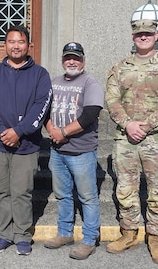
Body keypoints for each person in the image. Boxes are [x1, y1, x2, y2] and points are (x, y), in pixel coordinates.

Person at [105, 19, 158, 265]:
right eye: (139, 33)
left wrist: (146, 126)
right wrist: (128, 124)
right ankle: (128, 234)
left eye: (148, 34)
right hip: (126, 139)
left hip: (157, 140)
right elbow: (111, 99)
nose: (143, 37)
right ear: (132, 36)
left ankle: (155, 238)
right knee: (125, 190)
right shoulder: (119, 67)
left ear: (156, 36)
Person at [0, 25, 52, 256]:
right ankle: (4, 234)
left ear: (28, 45)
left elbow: (42, 106)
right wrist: (1, 131)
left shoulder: (40, 74)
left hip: (26, 144)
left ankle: (22, 235)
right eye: (11, 41)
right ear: (5, 45)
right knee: (1, 192)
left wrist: (19, 131)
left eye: (21, 42)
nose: (16, 46)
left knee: (22, 192)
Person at [44, 42, 104, 260]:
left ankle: (89, 239)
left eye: (76, 58)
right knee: (62, 195)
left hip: (82, 153)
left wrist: (64, 133)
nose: (72, 61)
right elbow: (44, 111)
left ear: (83, 60)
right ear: (62, 60)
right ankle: (65, 233)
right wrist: (52, 129)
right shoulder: (54, 83)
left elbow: (90, 115)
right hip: (57, 152)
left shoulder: (91, 83)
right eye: (68, 57)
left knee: (87, 198)